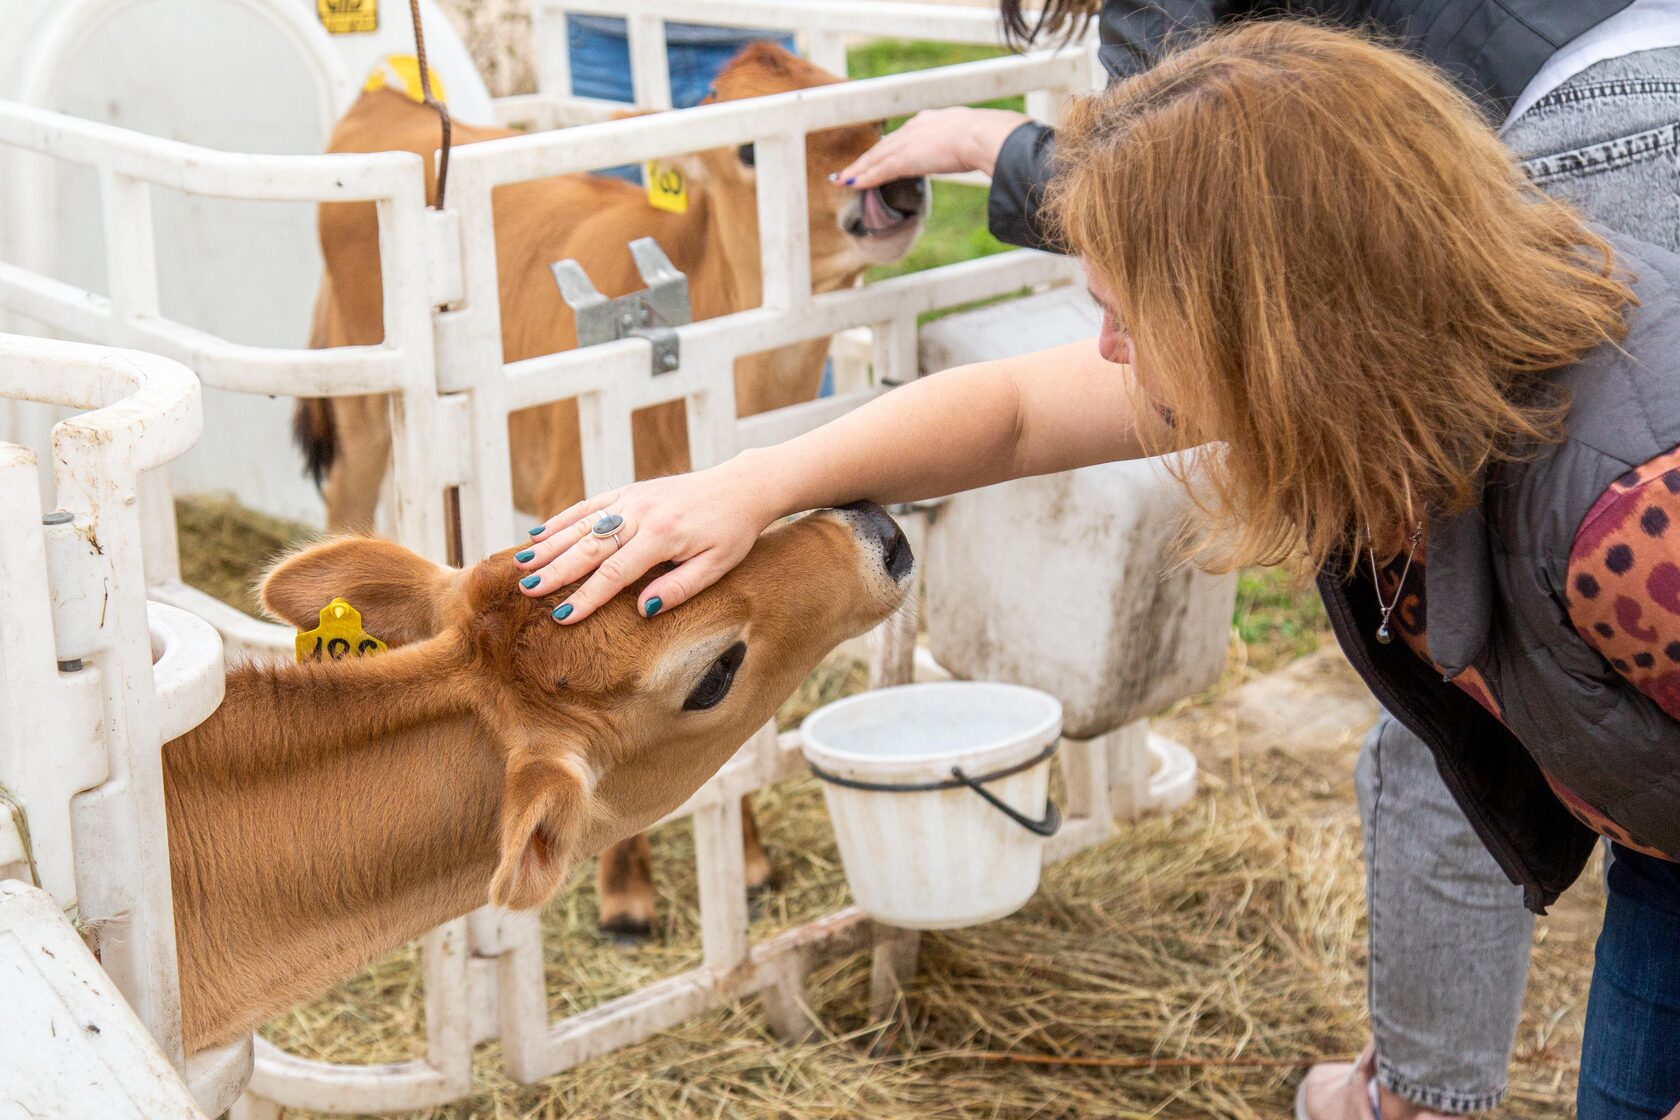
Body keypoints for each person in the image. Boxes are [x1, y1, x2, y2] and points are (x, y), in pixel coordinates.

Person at [512, 22, 1680, 1119]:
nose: (1107, 354)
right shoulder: (1400, 357)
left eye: (1125, 313)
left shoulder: (1625, 527)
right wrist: (752, 485)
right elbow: (1018, 415)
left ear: (1267, 318)